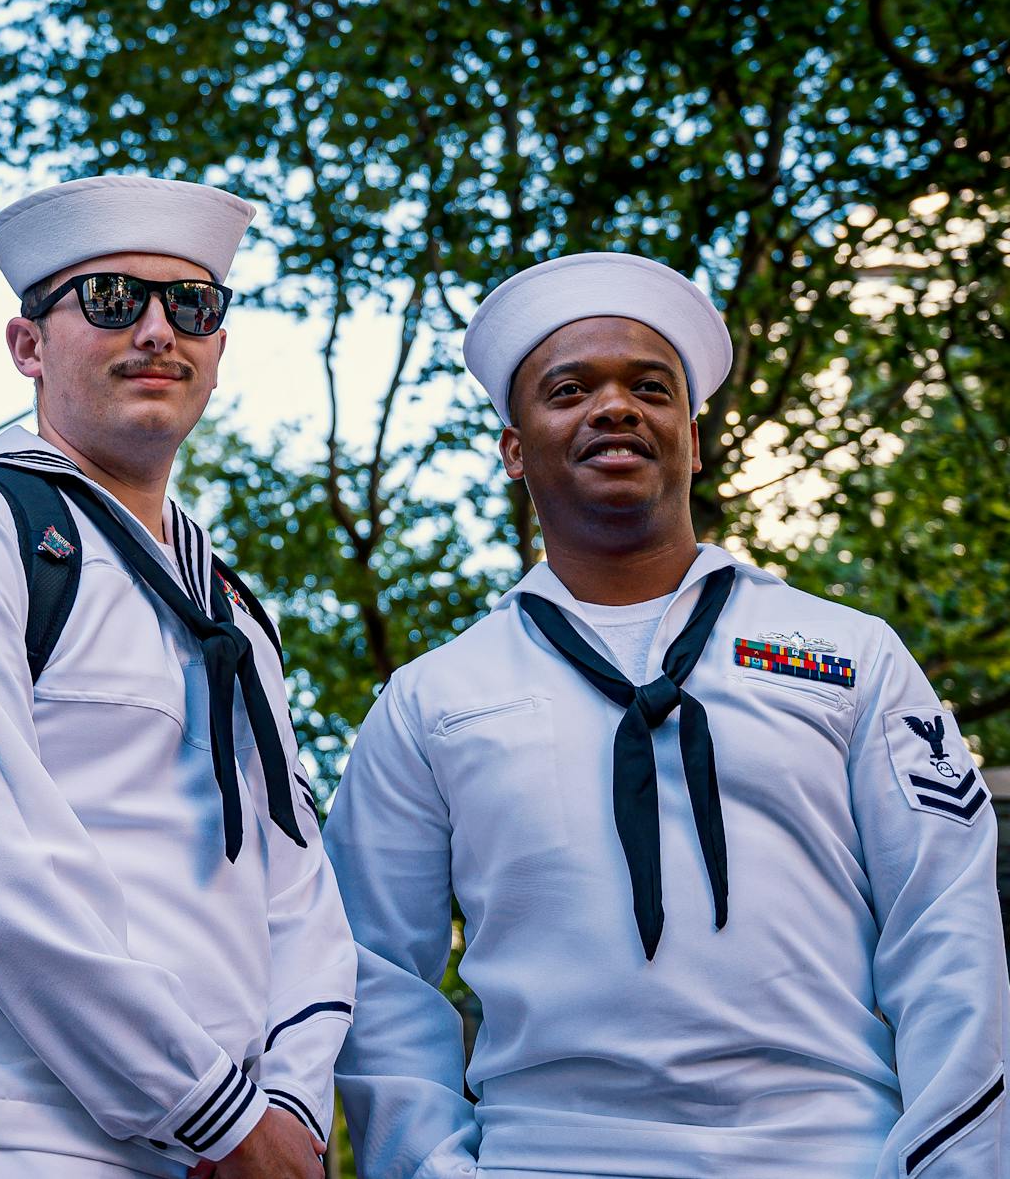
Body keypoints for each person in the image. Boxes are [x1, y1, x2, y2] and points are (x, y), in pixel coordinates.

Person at [327, 251, 1008, 1178]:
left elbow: (946, 919)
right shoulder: (429, 701)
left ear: (691, 436)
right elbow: (377, 971)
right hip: (545, 1156)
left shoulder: (853, 653)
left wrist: (957, 1164)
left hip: (837, 1151)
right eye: (569, 390)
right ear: (514, 448)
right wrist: (431, 1169)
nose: (614, 407)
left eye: (649, 387)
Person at [0, 175, 356, 1179]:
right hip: (6, 1133)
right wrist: (219, 1114)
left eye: (192, 305)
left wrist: (287, 1103)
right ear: (29, 346)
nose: (159, 328)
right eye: (112, 300)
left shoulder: (231, 607)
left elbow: (301, 895)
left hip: (226, 1150)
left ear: (219, 347)